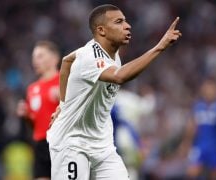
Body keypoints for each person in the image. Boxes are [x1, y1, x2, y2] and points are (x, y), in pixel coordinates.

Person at [47, 4, 181, 180]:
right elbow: (119, 77)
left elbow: (66, 61)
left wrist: (62, 105)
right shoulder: (90, 57)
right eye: (119, 22)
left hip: (102, 146)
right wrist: (159, 47)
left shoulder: (111, 54)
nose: (127, 25)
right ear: (101, 30)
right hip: (72, 143)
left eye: (125, 21)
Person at [17, 41, 60, 180]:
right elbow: (34, 125)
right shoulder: (32, 89)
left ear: (54, 58)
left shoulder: (65, 82)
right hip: (40, 145)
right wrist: (26, 116)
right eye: (34, 57)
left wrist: (65, 98)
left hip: (62, 143)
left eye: (40, 56)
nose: (35, 60)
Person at [179, 78, 216, 179]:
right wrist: (186, 143)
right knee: (191, 173)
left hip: (215, 146)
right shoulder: (197, 106)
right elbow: (191, 127)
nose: (209, 92)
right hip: (199, 145)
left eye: (211, 89)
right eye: (206, 89)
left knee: (215, 175)